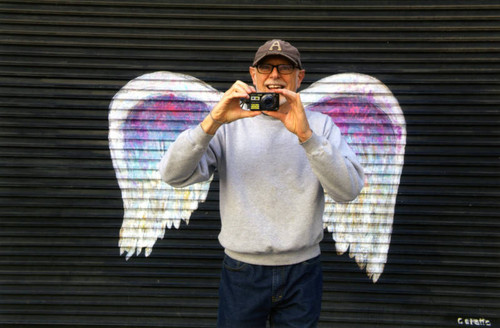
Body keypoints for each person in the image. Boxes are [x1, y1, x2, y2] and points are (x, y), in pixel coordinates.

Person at [159, 39, 364, 327]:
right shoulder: (229, 124)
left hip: (302, 269)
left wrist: (307, 137)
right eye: (265, 68)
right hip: (242, 270)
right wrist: (213, 121)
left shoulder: (320, 126)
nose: (275, 76)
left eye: (285, 68)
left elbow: (348, 190)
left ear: (299, 77)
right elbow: (172, 175)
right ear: (253, 75)